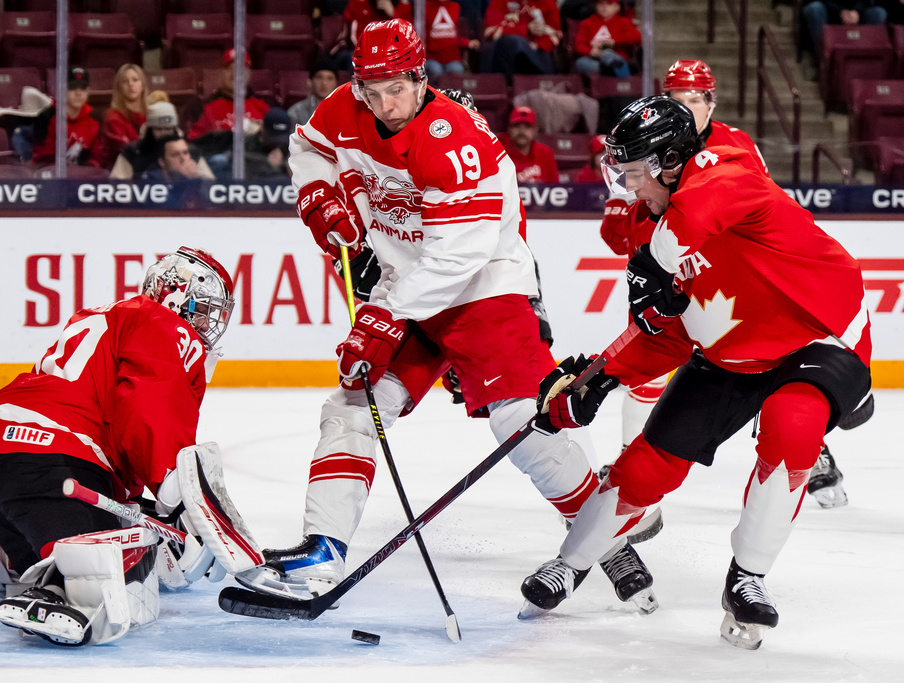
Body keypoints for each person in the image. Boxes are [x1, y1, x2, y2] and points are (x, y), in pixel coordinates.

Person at [234, 19, 659, 612]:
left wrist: (385, 316)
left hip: (483, 288)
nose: (384, 104)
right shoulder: (344, 107)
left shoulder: (453, 138)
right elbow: (307, 148)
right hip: (404, 286)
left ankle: (603, 535)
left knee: (520, 423)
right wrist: (320, 199)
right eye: (372, 89)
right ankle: (323, 551)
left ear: (420, 76)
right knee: (355, 405)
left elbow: (459, 254)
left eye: (396, 89)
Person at [522, 95, 871, 650]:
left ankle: (747, 578)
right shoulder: (652, 228)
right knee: (646, 468)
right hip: (730, 353)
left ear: (668, 161)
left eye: (633, 173)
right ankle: (572, 562)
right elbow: (669, 330)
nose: (628, 186)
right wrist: (597, 379)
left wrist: (652, 262)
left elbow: (695, 215)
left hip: (817, 336)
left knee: (792, 430)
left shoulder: (724, 174)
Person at [597, 60, 851, 509]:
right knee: (651, 350)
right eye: (678, 101)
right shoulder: (642, 143)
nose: (688, 109)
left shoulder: (737, 146)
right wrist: (628, 221)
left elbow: (757, 211)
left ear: (711, 102)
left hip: (727, 271)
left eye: (696, 100)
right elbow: (624, 222)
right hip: (677, 268)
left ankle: (814, 449)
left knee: (777, 365)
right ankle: (632, 461)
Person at [0, 247, 243, 646]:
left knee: (38, 563)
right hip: (52, 458)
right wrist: (176, 496)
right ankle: (54, 592)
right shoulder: (165, 324)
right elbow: (150, 409)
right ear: (178, 296)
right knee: (96, 580)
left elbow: (104, 412)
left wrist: (137, 501)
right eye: (203, 309)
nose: (205, 322)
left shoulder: (103, 315)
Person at [111, 101, 214, 180]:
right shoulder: (133, 153)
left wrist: (194, 178)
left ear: (174, 129)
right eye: (159, 129)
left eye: (168, 129)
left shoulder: (189, 152)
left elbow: (210, 188)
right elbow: (117, 186)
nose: (164, 133)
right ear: (150, 130)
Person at [188, 49, 270, 140]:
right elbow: (194, 143)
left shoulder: (262, 108)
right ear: (221, 73)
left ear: (249, 74)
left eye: (240, 70)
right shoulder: (204, 108)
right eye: (230, 69)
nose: (235, 74)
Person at [30, 66, 103, 169]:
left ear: (87, 91)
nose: (78, 93)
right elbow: (41, 160)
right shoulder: (46, 118)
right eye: (72, 87)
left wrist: (87, 169)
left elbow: (97, 157)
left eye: (82, 88)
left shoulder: (94, 120)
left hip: (84, 179)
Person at [801, 1, 888, 80]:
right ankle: (823, 62)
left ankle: (865, 62)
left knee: (879, 13)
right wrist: (840, 12)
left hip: (856, 14)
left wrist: (857, 11)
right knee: (814, 8)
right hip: (829, 12)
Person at [481, 0, 562, 82]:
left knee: (543, 55)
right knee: (514, 43)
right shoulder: (500, 2)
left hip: (539, 54)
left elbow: (555, 35)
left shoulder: (546, 3)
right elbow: (492, 32)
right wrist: (526, 29)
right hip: (508, 58)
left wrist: (538, 45)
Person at [408, 0, 480, 85]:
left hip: (452, 58)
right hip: (432, 57)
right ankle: (434, 96)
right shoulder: (425, 8)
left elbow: (456, 34)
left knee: (457, 69)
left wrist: (467, 43)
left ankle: (453, 97)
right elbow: (420, 35)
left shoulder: (455, 7)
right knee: (436, 70)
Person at [573, 0, 642, 78]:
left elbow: (636, 37)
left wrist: (614, 41)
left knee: (607, 53)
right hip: (595, 60)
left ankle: (621, 79)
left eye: (609, 4)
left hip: (616, 56)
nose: (604, 7)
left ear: (617, 7)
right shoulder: (587, 23)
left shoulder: (623, 22)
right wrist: (591, 52)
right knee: (581, 62)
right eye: (601, 3)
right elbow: (579, 45)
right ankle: (610, 71)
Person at [98, 63, 148, 168]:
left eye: (135, 79)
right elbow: (126, 150)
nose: (131, 84)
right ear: (119, 87)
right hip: (119, 174)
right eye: (125, 81)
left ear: (143, 85)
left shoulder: (151, 114)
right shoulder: (112, 117)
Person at [501, 105, 559, 183]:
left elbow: (555, 187)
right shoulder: (500, 154)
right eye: (517, 126)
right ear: (509, 129)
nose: (522, 131)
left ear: (535, 130)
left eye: (527, 126)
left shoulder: (546, 153)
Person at [288, 58, 340, 127]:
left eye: (329, 78)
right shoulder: (296, 112)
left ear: (336, 84)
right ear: (310, 82)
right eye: (319, 77)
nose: (324, 83)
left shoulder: (344, 112)